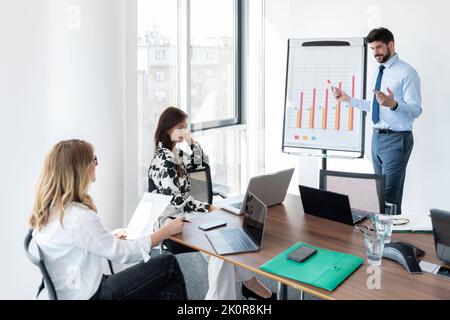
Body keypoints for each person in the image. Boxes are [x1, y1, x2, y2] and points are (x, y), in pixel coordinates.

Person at [29, 139, 187, 300]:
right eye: (94, 160)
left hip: (73, 291)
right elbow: (123, 254)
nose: (96, 165)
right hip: (93, 295)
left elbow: (74, 243)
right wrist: (165, 232)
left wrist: (109, 238)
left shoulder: (51, 210)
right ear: (80, 169)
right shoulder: (79, 217)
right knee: (168, 263)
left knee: (171, 290)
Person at [148, 106, 275, 300]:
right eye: (180, 127)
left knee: (224, 245)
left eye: (186, 127)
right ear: (167, 129)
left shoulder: (175, 152)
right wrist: (209, 207)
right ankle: (245, 286)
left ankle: (247, 284)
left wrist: (191, 142)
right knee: (220, 249)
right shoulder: (162, 160)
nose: (184, 131)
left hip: (189, 214)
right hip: (171, 219)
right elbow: (177, 201)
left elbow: (202, 163)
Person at [332, 27, 422, 214]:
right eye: (372, 48)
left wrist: (394, 104)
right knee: (378, 196)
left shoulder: (407, 72)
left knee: (389, 197)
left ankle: (391, 240)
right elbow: (375, 106)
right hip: (376, 139)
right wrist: (349, 100)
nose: (376, 53)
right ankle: (380, 238)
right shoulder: (378, 71)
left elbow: (416, 110)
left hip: (397, 139)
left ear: (391, 44)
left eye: (379, 47)